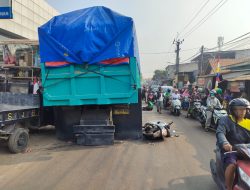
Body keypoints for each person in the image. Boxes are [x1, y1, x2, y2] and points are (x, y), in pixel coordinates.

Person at [216, 98, 250, 190]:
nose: (243, 111)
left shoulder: (248, 121)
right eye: (239, 109)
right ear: (233, 110)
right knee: (232, 165)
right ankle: (229, 187)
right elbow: (220, 132)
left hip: (246, 149)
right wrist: (225, 143)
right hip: (231, 149)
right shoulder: (225, 120)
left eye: (245, 109)